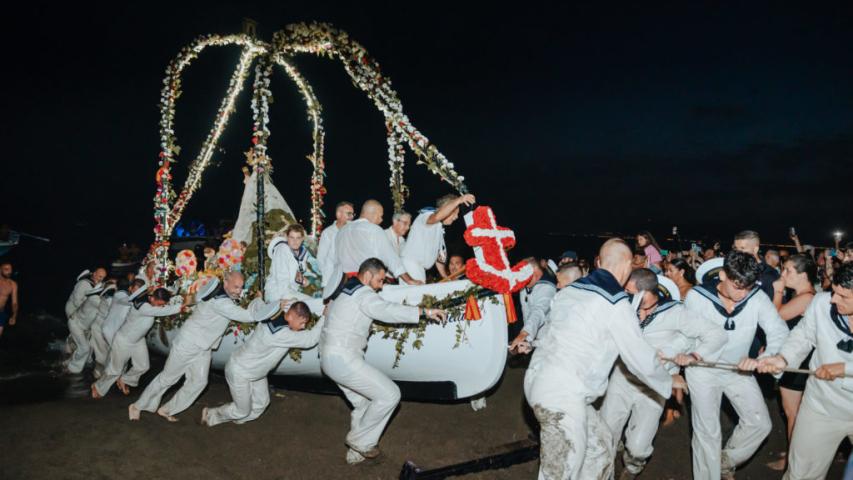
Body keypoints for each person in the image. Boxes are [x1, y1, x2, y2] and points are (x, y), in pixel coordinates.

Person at [523, 239, 673, 480]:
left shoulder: (570, 290)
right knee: (559, 473)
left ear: (599, 263)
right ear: (628, 265)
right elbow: (639, 357)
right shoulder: (615, 303)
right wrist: (668, 381)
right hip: (561, 396)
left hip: (546, 381)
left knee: (600, 449)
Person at [600, 270, 726, 479]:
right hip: (622, 378)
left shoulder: (676, 313)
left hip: (654, 386)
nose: (624, 292)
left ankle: (633, 467)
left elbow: (715, 334)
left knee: (638, 446)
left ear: (644, 292)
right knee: (605, 435)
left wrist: (692, 355)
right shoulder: (623, 307)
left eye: (629, 290)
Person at [320, 258, 446, 464]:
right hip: (342, 358)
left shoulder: (344, 292)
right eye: (379, 280)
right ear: (367, 275)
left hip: (329, 359)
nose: (381, 286)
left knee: (364, 403)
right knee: (390, 395)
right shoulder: (363, 294)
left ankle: (354, 455)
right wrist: (425, 311)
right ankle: (359, 441)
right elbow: (387, 310)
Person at [683, 251, 789, 480]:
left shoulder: (756, 297)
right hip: (703, 370)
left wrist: (765, 358)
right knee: (707, 433)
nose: (743, 294)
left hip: (738, 370)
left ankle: (725, 461)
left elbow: (778, 330)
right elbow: (684, 335)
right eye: (737, 287)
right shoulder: (697, 297)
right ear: (723, 275)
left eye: (748, 288)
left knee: (760, 423)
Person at [129, 271, 280, 422]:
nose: (239, 291)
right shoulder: (221, 302)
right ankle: (137, 406)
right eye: (236, 287)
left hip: (203, 346)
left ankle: (167, 409)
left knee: (198, 382)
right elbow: (248, 317)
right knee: (168, 378)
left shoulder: (221, 295)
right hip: (189, 343)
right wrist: (258, 300)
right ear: (225, 282)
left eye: (241, 287)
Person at [757, 262, 853, 480]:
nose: (834, 299)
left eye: (843, 296)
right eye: (834, 292)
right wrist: (783, 358)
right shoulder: (821, 303)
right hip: (822, 406)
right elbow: (803, 336)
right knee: (800, 474)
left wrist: (845, 368)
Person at [203, 301, 323, 426]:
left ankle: (239, 419)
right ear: (292, 316)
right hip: (240, 371)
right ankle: (210, 415)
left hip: (255, 371)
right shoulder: (281, 334)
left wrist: (275, 303)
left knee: (262, 403)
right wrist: (324, 317)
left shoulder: (270, 314)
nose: (303, 327)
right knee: (241, 410)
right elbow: (310, 340)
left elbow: (256, 303)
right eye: (302, 322)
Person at [766, 253, 817, 471]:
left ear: (803, 275)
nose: (783, 274)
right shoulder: (802, 295)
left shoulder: (806, 298)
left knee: (793, 414)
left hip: (799, 363)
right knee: (794, 414)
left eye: (788, 270)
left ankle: (793, 464)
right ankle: (793, 456)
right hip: (796, 359)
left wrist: (778, 291)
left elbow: (774, 317)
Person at [91, 288, 185, 398]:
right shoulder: (143, 306)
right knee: (115, 370)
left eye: (162, 305)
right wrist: (181, 307)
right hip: (124, 341)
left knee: (143, 366)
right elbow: (160, 312)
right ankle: (98, 386)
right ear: (153, 298)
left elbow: (160, 307)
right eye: (160, 304)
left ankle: (125, 380)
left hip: (138, 340)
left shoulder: (151, 301)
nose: (161, 306)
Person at [323, 200, 420, 300]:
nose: (381, 220)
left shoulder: (341, 231)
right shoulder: (374, 230)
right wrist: (409, 280)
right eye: (380, 216)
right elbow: (391, 258)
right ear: (374, 214)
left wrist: (327, 288)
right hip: (365, 284)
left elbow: (330, 261)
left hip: (342, 286)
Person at [401, 193, 476, 282]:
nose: (456, 217)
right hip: (411, 265)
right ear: (446, 208)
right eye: (455, 213)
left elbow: (439, 259)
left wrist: (446, 277)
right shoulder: (426, 215)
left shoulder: (439, 228)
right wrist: (459, 200)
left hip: (419, 268)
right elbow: (437, 216)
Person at [264, 224, 321, 311]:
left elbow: (298, 272)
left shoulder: (303, 253)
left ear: (302, 239)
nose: (295, 241)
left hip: (292, 291)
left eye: (298, 238)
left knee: (318, 304)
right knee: (316, 306)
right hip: (277, 293)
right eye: (292, 237)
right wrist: (285, 299)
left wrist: (303, 280)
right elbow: (281, 278)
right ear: (287, 237)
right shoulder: (282, 249)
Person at [65, 268, 107, 374]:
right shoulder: (83, 284)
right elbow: (76, 301)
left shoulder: (98, 285)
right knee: (82, 343)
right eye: (100, 276)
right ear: (94, 274)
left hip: (83, 317)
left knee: (85, 338)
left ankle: (73, 357)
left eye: (103, 277)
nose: (101, 279)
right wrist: (85, 307)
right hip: (73, 312)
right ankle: (72, 361)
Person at [510, 258, 557, 353]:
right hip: (535, 339)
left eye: (523, 274)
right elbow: (526, 312)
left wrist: (525, 333)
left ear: (535, 271)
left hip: (550, 340)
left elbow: (539, 311)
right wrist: (526, 339)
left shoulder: (547, 287)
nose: (519, 279)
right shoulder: (526, 285)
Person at [317, 201, 354, 286]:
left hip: (349, 279)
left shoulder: (353, 232)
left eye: (352, 214)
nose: (351, 217)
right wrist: (327, 276)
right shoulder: (328, 233)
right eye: (349, 214)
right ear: (339, 214)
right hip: (331, 280)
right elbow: (321, 258)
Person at [102, 279, 147, 345]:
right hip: (109, 331)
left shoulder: (133, 300)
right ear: (130, 288)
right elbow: (128, 301)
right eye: (135, 290)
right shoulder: (120, 294)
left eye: (139, 292)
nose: (136, 293)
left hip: (117, 334)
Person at [90, 281, 117, 378]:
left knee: (102, 351)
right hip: (100, 327)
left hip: (100, 326)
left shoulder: (104, 297)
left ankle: (99, 373)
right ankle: (98, 373)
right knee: (101, 352)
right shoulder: (109, 299)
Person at [0, 262, 19, 338]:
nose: (9, 271)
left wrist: (14, 316)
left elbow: (14, 303)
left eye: (10, 269)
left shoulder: (13, 284)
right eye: (6, 269)